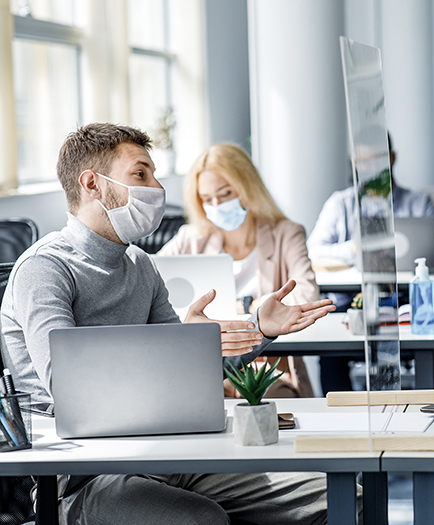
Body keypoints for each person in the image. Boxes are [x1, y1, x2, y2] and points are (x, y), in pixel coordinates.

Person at [0, 123, 341, 524]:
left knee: (333, 497)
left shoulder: (140, 264)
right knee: (200, 520)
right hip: (83, 479)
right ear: (92, 183)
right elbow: (72, 389)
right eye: (141, 174)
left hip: (167, 454)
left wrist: (256, 330)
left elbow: (193, 382)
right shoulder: (45, 269)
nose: (157, 187)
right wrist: (176, 347)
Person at [159, 142, 317, 398]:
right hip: (208, 365)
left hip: (268, 367)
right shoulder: (190, 238)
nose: (217, 205)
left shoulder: (286, 233)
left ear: (247, 188)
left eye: (225, 194)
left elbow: (306, 298)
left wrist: (245, 307)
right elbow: (151, 285)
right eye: (207, 199)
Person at [307, 133, 434, 270]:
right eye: (365, 161)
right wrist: (354, 250)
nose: (373, 168)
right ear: (354, 162)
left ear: (392, 158)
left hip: (406, 291)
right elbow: (313, 251)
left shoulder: (419, 202)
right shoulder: (339, 204)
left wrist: (409, 253)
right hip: (349, 294)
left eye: (380, 159)